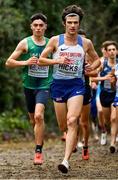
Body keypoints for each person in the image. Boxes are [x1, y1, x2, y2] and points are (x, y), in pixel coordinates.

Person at [38, 5, 100, 173]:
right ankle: (69, 139)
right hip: (58, 85)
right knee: (63, 125)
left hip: (76, 86)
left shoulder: (85, 42)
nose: (73, 25)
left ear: (79, 24)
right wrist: (57, 61)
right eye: (69, 22)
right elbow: (41, 60)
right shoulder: (55, 40)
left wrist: (90, 68)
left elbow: (97, 61)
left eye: (76, 22)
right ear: (64, 23)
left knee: (73, 120)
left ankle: (65, 161)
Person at [5, 13, 52, 165]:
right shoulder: (25, 43)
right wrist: (25, 63)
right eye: (35, 25)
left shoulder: (51, 43)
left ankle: (38, 151)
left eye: (41, 25)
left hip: (44, 85)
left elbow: (59, 60)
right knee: (34, 119)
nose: (38, 28)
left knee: (39, 116)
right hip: (29, 86)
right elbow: (9, 62)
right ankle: (39, 139)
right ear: (31, 27)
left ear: (45, 27)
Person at [92, 40, 118, 153]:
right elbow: (92, 78)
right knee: (107, 120)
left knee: (114, 118)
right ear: (106, 52)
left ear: (117, 51)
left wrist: (114, 81)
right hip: (104, 94)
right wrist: (105, 78)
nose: (112, 52)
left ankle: (112, 143)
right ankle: (106, 131)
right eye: (109, 50)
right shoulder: (102, 64)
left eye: (114, 50)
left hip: (115, 94)